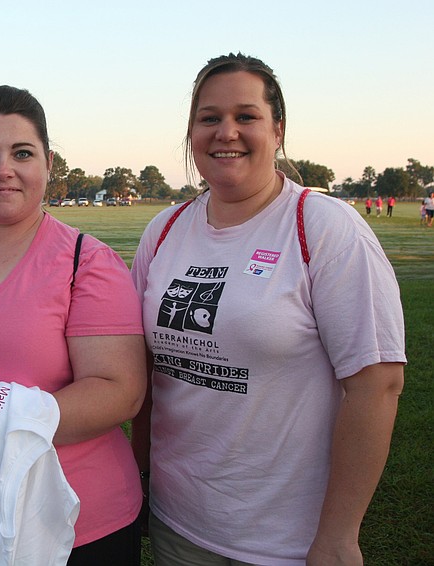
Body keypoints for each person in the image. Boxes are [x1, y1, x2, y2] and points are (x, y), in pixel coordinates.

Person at [131, 53, 406, 565]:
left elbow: (377, 384)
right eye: (209, 118)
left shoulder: (323, 227)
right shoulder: (163, 231)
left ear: (277, 130)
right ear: (191, 133)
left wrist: (340, 535)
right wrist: (140, 477)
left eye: (246, 116)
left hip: (287, 541)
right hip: (179, 526)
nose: (226, 132)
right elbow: (146, 373)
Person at [0, 85, 147, 564]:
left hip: (70, 523)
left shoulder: (87, 262)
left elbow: (122, 391)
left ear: (48, 163)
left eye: (22, 153)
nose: (3, 170)